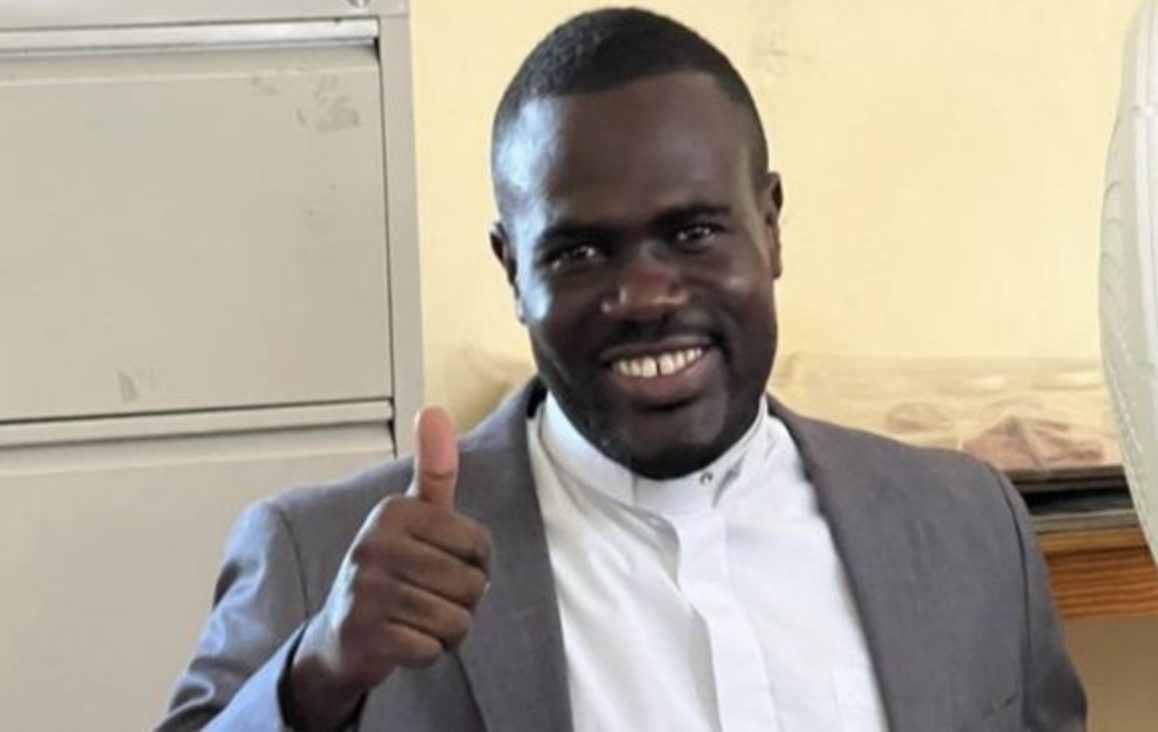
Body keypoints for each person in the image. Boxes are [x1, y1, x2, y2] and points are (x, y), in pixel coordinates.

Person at [157, 8, 1086, 731]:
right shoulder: (326, 558)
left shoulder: (968, 526)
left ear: (770, 226)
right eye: (578, 252)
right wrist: (316, 676)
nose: (643, 296)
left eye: (693, 231)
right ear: (511, 271)